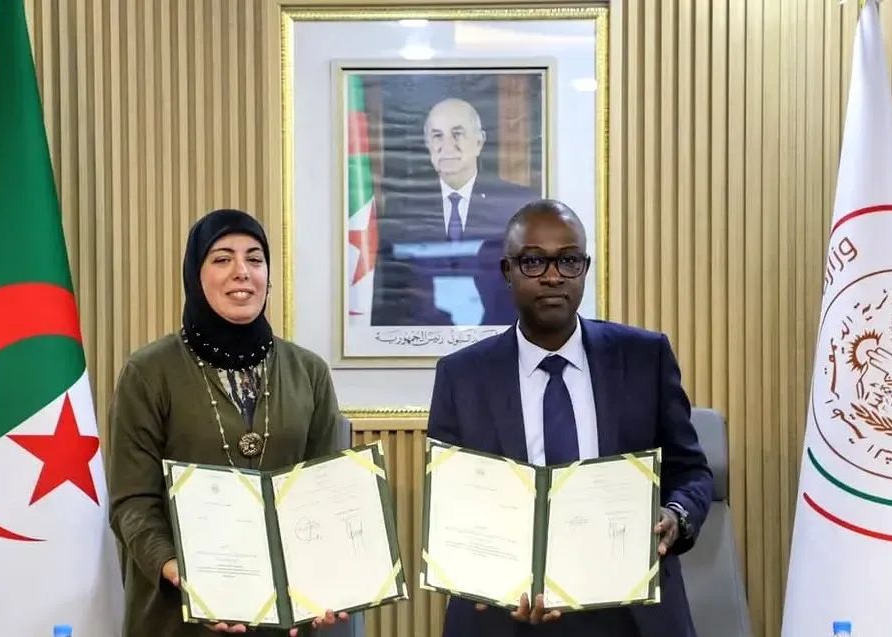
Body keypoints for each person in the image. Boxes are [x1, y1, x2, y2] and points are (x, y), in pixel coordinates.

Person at [426, 199, 713, 636]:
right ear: (507, 271)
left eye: (569, 260)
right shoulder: (461, 376)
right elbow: (451, 506)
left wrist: (675, 515)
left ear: (584, 267)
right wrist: (490, 580)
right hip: (505, 612)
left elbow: (691, 471)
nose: (553, 276)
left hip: (628, 608)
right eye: (534, 261)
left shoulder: (644, 357)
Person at [107, 209, 347, 636]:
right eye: (222, 259)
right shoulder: (148, 372)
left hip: (285, 617)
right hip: (180, 614)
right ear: (194, 275)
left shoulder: (308, 372)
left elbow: (326, 494)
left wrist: (328, 581)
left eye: (255, 259)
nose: (242, 272)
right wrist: (177, 570)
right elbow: (133, 503)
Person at [372, 97, 539, 327]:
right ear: (427, 144)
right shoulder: (404, 209)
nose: (447, 145)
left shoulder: (516, 205)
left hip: (499, 339)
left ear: (479, 141)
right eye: (437, 136)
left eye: (457, 134)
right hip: (423, 340)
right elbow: (392, 294)